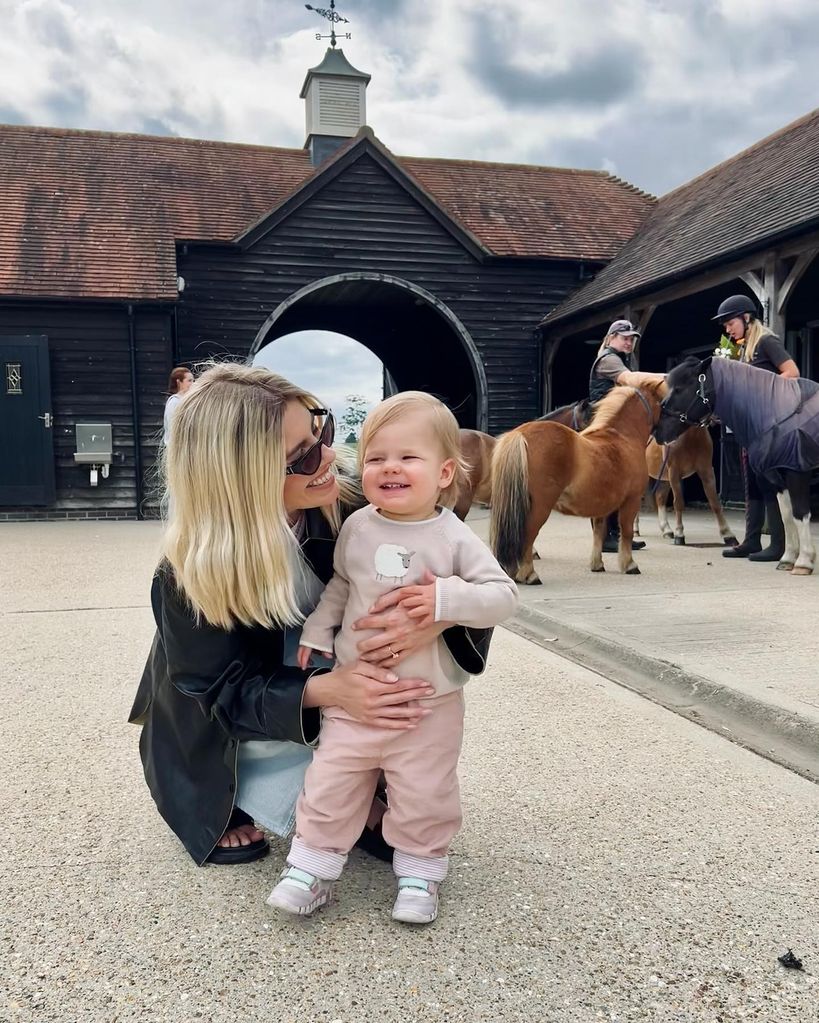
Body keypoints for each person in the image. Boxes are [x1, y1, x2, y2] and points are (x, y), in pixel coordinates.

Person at [129, 365, 492, 866]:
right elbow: (215, 689)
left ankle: (356, 779)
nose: (326, 459)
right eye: (297, 458)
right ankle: (237, 795)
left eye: (319, 431)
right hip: (235, 700)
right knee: (244, 718)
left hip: (329, 656)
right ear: (239, 480)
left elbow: (472, 574)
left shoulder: (362, 500)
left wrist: (438, 615)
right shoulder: (190, 570)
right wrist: (330, 691)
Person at [266, 392, 518, 925]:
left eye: (409, 457)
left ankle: (420, 874)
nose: (390, 468)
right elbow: (340, 584)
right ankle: (311, 869)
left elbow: (502, 596)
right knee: (331, 778)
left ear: (445, 472)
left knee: (425, 790)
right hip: (354, 696)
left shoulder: (452, 536)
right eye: (376, 457)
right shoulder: (358, 526)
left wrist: (444, 601)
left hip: (427, 703)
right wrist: (318, 628)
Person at [714, 295, 800, 562]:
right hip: (750, 427)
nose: (728, 330)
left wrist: (757, 390)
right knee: (751, 482)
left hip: (769, 426)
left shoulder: (766, 342)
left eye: (730, 323)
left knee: (768, 481)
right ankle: (751, 541)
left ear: (746, 317)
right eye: (726, 326)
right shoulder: (744, 349)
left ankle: (777, 543)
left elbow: (792, 373)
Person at [588, 319, 649, 553]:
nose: (629, 341)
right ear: (611, 337)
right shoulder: (609, 359)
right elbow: (630, 381)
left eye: (631, 338)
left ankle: (620, 533)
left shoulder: (620, 358)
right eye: (624, 337)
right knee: (610, 478)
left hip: (612, 419)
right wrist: (666, 379)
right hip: (603, 421)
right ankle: (606, 536)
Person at [163, 366, 194, 445]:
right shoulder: (174, 402)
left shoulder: (188, 400)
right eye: (189, 381)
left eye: (193, 380)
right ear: (179, 382)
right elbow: (173, 428)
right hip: (176, 448)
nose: (192, 383)